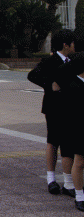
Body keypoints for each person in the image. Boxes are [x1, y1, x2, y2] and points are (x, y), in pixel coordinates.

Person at [28, 29, 76, 196]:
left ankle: (69, 182)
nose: (75, 45)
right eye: (73, 43)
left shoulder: (73, 60)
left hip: (70, 107)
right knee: (53, 141)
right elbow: (32, 75)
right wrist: (50, 84)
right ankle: (51, 179)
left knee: (68, 143)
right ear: (65, 45)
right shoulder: (50, 61)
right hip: (54, 107)